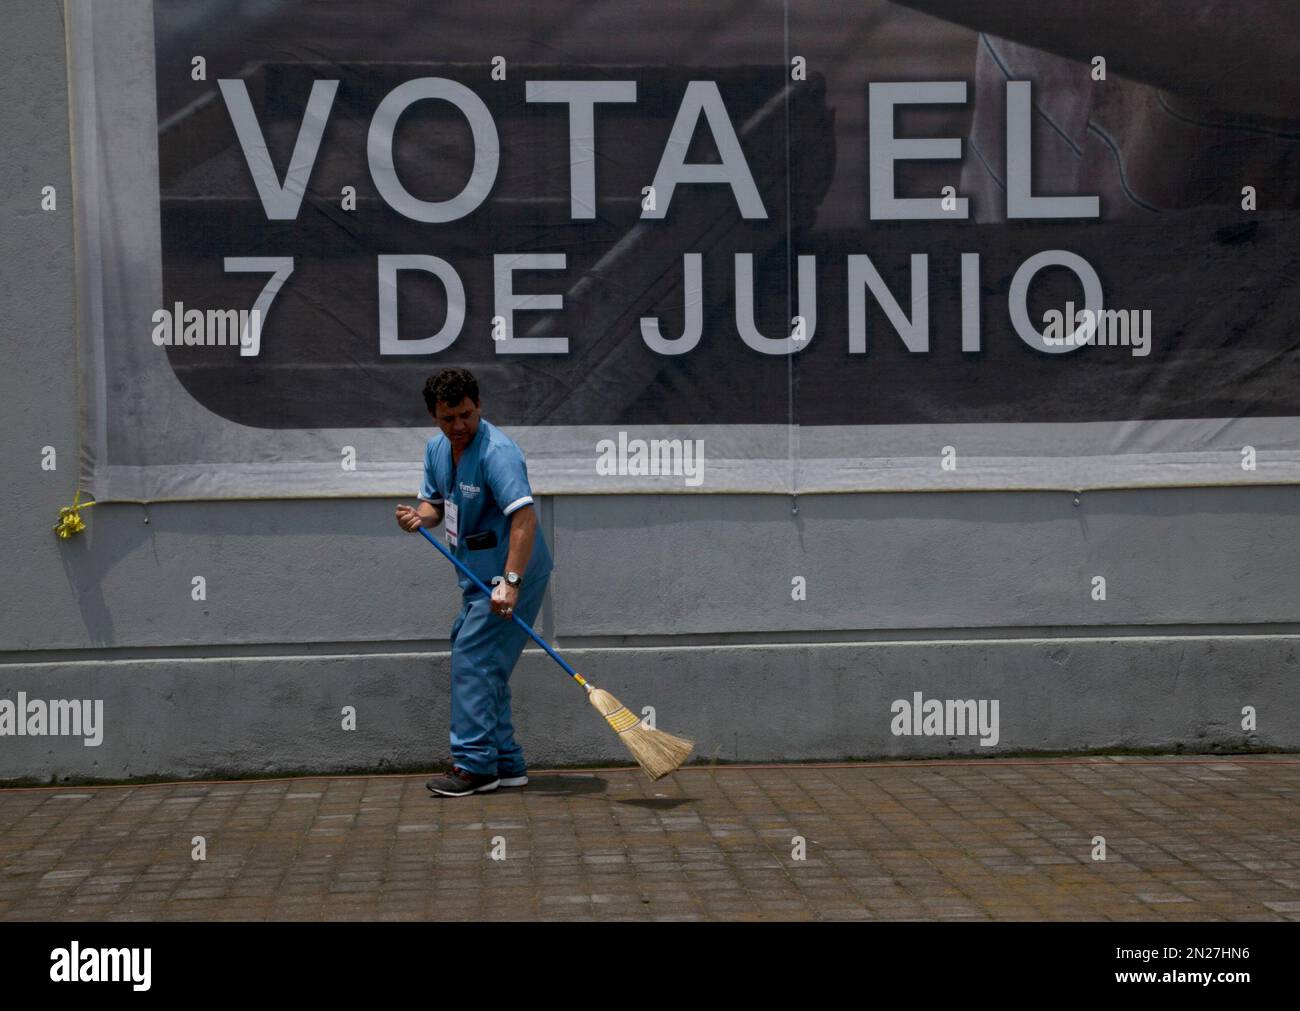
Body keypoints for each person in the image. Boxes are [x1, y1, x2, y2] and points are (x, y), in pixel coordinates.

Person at [395, 368, 554, 797]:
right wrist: (418, 518)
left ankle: (474, 766)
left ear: (479, 406)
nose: (459, 426)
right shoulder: (436, 450)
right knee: (486, 662)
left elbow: (524, 518)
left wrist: (512, 583)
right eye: (449, 419)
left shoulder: (498, 453)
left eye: (466, 414)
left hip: (512, 572)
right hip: (476, 573)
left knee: (472, 656)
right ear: (434, 416)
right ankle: (506, 761)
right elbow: (434, 504)